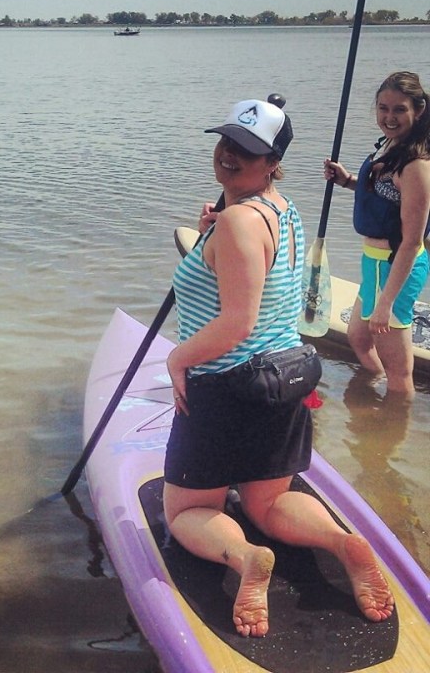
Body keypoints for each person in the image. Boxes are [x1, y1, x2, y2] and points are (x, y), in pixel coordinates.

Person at [163, 98, 394, 638]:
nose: (228, 155)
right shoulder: (277, 208)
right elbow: (255, 281)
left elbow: (237, 322)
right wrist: (211, 235)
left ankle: (245, 558)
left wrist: (178, 357)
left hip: (225, 384)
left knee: (185, 512)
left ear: (272, 162)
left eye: (246, 151)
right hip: (285, 376)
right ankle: (341, 544)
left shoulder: (240, 223)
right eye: (226, 142)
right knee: (268, 504)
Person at [324, 71, 430, 396]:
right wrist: (347, 181)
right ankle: (378, 399)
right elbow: (383, 192)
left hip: (396, 266)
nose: (389, 117)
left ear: (419, 109)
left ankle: (393, 434)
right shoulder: (390, 146)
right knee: (358, 336)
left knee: (400, 372)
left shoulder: (416, 165)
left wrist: (386, 302)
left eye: (399, 109)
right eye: (383, 108)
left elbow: (412, 242)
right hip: (374, 263)